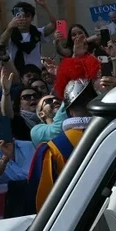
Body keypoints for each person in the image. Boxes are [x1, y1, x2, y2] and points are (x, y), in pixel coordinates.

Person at [27, 35, 101, 211]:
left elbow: (41, 203)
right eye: (48, 102)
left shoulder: (52, 150)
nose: (54, 102)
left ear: (66, 109)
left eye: (57, 100)